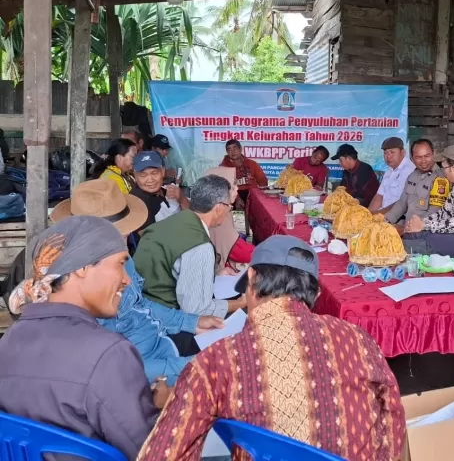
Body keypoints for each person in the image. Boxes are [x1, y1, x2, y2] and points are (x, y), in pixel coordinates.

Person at [137, 235, 405, 461]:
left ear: (252, 278)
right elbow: (392, 416)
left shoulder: (216, 361)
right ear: (317, 294)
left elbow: (163, 454)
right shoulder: (358, 339)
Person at [0, 216, 166, 460]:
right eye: (120, 263)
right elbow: (153, 452)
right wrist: (164, 410)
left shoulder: (8, 342)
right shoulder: (110, 353)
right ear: (82, 267)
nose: (126, 279)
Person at [49, 179, 223, 384]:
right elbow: (116, 368)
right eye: (118, 234)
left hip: (160, 341)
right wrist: (191, 366)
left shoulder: (120, 258)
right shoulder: (76, 292)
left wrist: (191, 322)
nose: (123, 241)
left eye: (124, 233)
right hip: (142, 369)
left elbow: (138, 303)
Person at [134, 175, 248, 318]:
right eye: (229, 207)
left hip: (141, 303)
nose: (228, 212)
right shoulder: (199, 245)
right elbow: (196, 309)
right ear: (219, 208)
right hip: (163, 317)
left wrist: (214, 275)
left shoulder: (174, 220)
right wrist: (240, 303)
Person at [385, 138, 450, 230]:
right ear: (411, 158)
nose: (423, 161)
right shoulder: (412, 176)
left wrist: (406, 228)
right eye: (418, 157)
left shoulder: (441, 179)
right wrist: (386, 220)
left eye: (427, 156)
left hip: (425, 231)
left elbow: (435, 213)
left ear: (434, 154)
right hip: (407, 228)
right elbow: (402, 203)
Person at [203, 166, 254, 274]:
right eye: (233, 185)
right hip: (220, 272)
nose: (237, 189)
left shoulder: (216, 207)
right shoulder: (217, 215)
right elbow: (241, 252)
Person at [130, 151, 187, 233]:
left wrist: (182, 199)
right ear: (135, 176)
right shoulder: (137, 201)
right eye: (143, 175)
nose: (150, 180)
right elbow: (150, 239)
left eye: (154, 173)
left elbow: (195, 218)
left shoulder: (166, 189)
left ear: (163, 172)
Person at [368, 137, 416, 214]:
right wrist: (368, 214)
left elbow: (403, 202)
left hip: (400, 217)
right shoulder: (389, 170)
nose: (388, 156)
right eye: (385, 152)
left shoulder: (409, 171)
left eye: (392, 152)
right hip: (383, 215)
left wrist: (379, 214)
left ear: (402, 153)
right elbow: (379, 196)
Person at [220, 139, 268, 205]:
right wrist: (237, 199)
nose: (232, 152)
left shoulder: (252, 163)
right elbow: (225, 188)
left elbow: (263, 181)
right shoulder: (223, 167)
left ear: (240, 149)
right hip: (233, 196)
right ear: (227, 152)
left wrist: (262, 197)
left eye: (235, 148)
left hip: (252, 194)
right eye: (229, 150)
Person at [332, 143, 380, 207]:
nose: (340, 164)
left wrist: (343, 200)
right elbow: (342, 188)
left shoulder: (365, 170)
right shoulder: (347, 171)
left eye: (341, 160)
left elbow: (360, 196)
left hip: (366, 207)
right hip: (352, 202)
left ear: (349, 158)